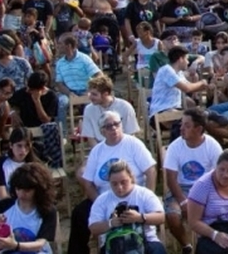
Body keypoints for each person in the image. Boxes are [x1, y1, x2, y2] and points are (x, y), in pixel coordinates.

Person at [69, 110, 157, 254]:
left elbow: (151, 171)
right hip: (104, 197)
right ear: (102, 131)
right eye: (108, 126)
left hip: (132, 197)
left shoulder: (134, 144)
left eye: (116, 124)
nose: (114, 128)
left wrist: (148, 196)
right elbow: (88, 183)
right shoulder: (97, 151)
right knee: (79, 214)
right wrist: (101, 203)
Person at [164, 108, 222, 254]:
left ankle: (213, 242)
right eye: (181, 124)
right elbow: (171, 179)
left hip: (206, 187)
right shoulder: (175, 147)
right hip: (181, 188)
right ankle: (186, 246)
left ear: (199, 129)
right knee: (172, 216)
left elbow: (220, 176)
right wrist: (183, 201)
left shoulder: (212, 146)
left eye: (187, 125)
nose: (181, 128)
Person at [89, 160, 167, 254]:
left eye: (123, 182)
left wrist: (140, 218)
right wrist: (110, 223)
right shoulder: (102, 200)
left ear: (131, 178)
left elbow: (161, 217)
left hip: (147, 240)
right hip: (114, 243)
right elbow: (93, 228)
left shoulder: (144, 194)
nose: (119, 187)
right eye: (114, 184)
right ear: (109, 182)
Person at [0, 162, 57, 254]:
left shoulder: (47, 210)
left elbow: (40, 244)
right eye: (18, 189)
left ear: (38, 189)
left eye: (27, 190)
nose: (21, 194)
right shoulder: (4, 206)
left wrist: (15, 245)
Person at [54, 33, 102, 129]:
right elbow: (59, 83)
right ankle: (62, 133)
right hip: (69, 91)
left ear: (69, 46)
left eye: (60, 44)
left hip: (85, 90)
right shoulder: (59, 63)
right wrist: (69, 93)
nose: (57, 46)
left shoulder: (84, 58)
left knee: (92, 103)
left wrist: (90, 90)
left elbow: (98, 75)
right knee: (61, 103)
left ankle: (93, 129)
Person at [148, 46, 209, 120]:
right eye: (186, 59)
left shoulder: (179, 73)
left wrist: (207, 86)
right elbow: (186, 88)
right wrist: (202, 82)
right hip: (161, 112)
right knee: (196, 118)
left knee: (206, 116)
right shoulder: (166, 70)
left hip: (174, 110)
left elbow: (190, 86)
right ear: (180, 59)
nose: (188, 62)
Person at [80, 74, 140, 147]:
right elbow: (91, 138)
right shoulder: (89, 110)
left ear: (105, 94)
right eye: (90, 93)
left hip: (122, 146)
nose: (90, 97)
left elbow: (131, 133)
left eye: (94, 94)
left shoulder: (125, 107)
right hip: (100, 147)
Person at [0, 127, 40, 202]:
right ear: (11, 145)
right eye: (19, 146)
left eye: (27, 146)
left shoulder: (34, 163)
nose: (23, 150)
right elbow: (2, 197)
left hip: (29, 205)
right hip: (6, 207)